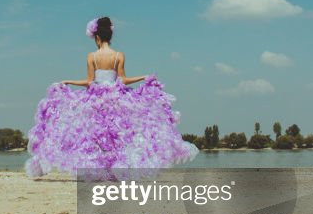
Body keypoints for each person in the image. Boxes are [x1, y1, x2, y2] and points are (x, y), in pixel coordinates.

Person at [25, 16, 198, 177]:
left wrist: (68, 81)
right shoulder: (118, 55)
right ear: (110, 35)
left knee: (92, 136)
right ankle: (116, 171)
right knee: (119, 136)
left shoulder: (92, 56)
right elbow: (123, 80)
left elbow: (89, 82)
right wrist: (143, 77)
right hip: (116, 99)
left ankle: (101, 171)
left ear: (97, 37)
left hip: (96, 100)